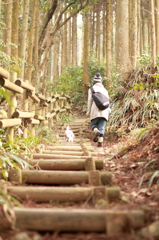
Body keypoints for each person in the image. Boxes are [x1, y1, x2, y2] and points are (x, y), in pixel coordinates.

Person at [86, 73, 111, 147]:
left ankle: (96, 131)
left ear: (94, 82)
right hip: (104, 111)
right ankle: (100, 141)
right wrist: (108, 111)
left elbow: (89, 101)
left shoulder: (91, 89)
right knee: (102, 127)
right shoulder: (105, 90)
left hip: (95, 111)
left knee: (93, 125)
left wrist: (88, 111)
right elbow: (108, 101)